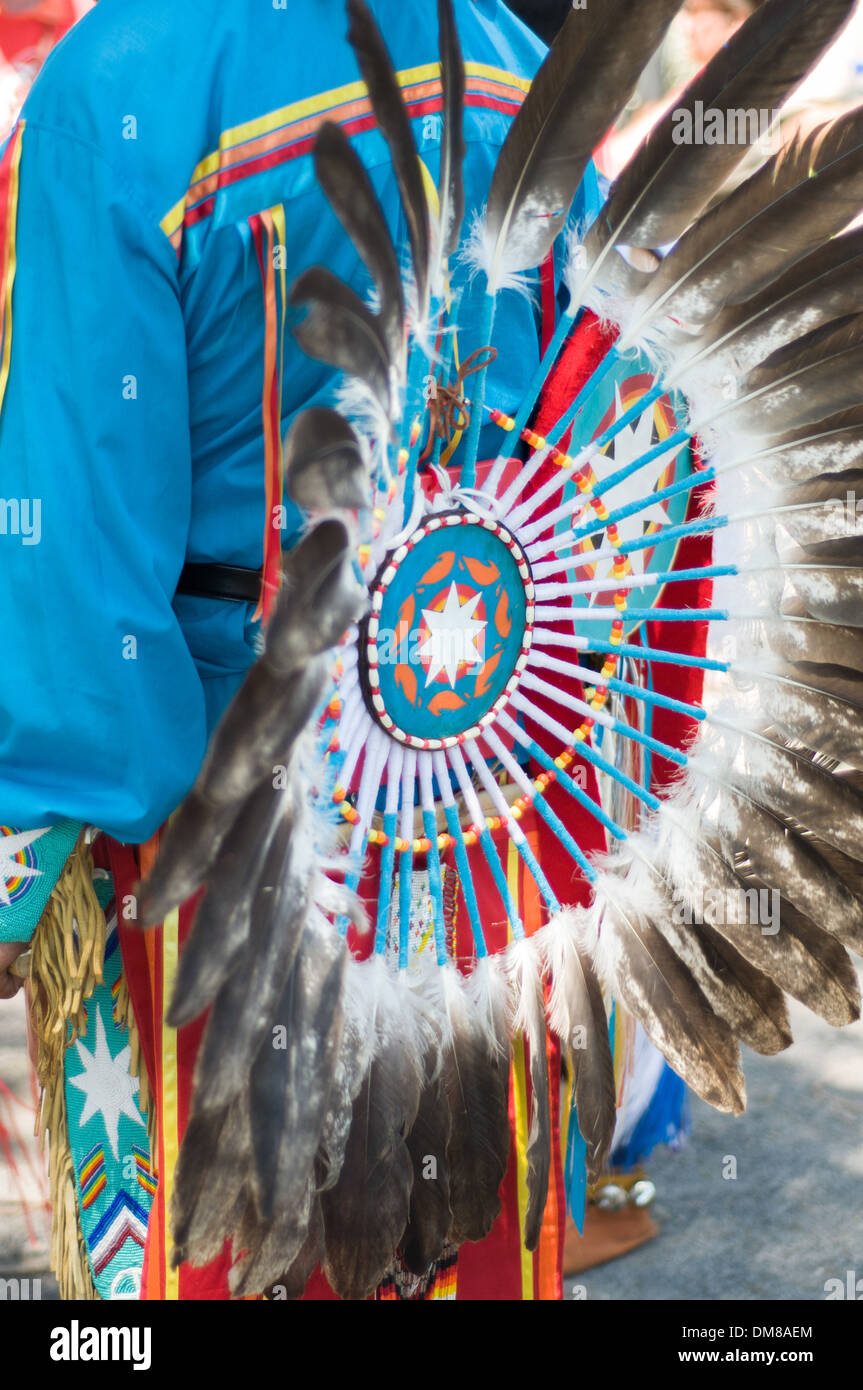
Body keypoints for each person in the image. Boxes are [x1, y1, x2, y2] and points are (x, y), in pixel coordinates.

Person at [0, 0, 599, 1300]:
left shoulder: (116, 86)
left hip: (216, 820)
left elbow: (79, 546)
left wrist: (35, 836)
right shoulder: (512, 60)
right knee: (455, 1229)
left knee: (220, 1246)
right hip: (479, 798)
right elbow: (598, 441)